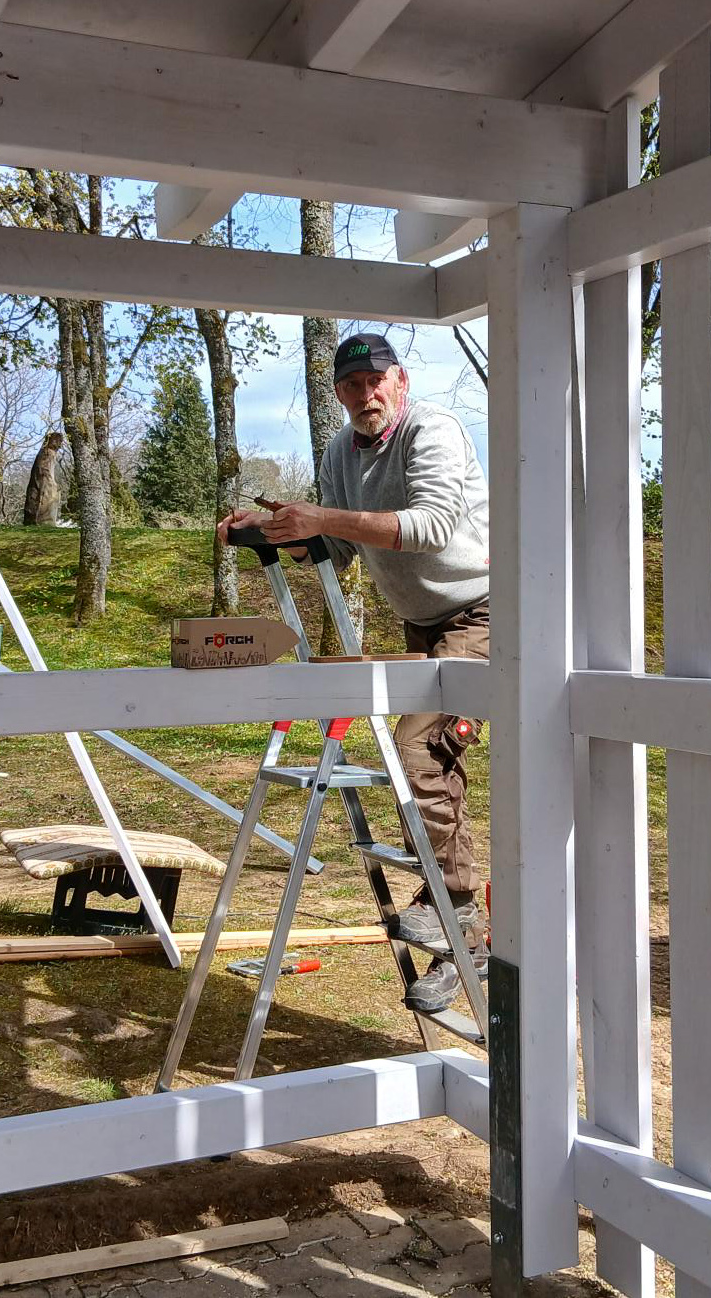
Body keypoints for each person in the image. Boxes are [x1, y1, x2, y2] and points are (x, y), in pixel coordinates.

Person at [218, 333, 489, 1014]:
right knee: (425, 764)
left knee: (419, 750)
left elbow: (428, 527)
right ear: (338, 393)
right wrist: (271, 528)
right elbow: (337, 546)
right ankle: (465, 942)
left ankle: (454, 906)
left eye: (377, 382)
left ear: (399, 381)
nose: (366, 396)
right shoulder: (341, 451)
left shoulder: (435, 429)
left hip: (488, 609)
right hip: (423, 622)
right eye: (351, 386)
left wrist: (321, 517)